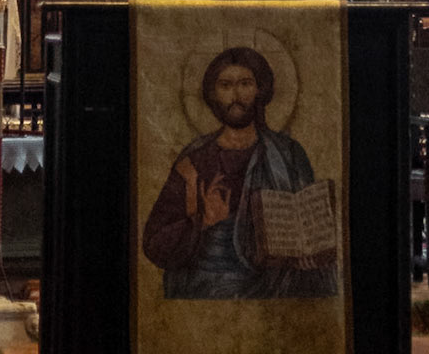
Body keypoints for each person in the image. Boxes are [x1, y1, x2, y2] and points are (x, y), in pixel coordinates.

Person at [141, 47, 338, 300]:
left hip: (275, 288)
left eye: (245, 83)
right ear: (213, 93)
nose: (236, 95)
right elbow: (154, 243)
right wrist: (199, 222)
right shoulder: (194, 161)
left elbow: (314, 234)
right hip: (205, 289)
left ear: (260, 89)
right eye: (225, 85)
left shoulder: (288, 154)